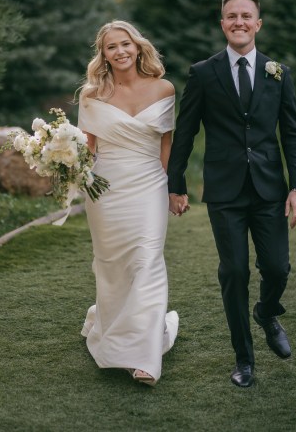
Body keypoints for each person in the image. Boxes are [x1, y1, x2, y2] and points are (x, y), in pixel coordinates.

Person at [167, 0, 296, 388]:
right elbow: (186, 131)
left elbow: (293, 135)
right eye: (231, 16)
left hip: (269, 190)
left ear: (258, 24)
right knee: (234, 272)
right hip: (225, 192)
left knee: (277, 267)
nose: (239, 22)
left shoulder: (277, 72)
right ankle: (244, 359)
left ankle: (266, 312)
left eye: (246, 16)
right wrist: (175, 184)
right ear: (222, 23)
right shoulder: (203, 73)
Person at [77, 20, 179, 386]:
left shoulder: (164, 88)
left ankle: (145, 357)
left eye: (125, 44)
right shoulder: (91, 95)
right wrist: (65, 170)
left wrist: (174, 188)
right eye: (111, 47)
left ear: (138, 47)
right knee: (112, 266)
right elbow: (87, 148)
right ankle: (112, 325)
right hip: (105, 189)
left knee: (148, 260)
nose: (119, 51)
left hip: (150, 181)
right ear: (102, 55)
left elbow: (167, 143)